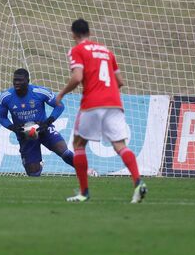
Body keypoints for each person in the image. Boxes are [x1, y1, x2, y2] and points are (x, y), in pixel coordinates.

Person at [55, 19, 147, 203]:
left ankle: (84, 192)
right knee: (120, 145)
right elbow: (119, 81)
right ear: (89, 32)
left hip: (92, 103)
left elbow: (77, 76)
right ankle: (138, 182)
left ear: (73, 34)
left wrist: (61, 94)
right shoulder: (106, 51)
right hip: (114, 102)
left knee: (79, 145)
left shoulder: (77, 50)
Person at [0, 68, 75, 176]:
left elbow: (59, 105)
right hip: (25, 135)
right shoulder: (6, 97)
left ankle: (86, 171)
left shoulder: (39, 92)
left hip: (44, 129)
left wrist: (47, 122)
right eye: (15, 80)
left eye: (20, 80)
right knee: (33, 173)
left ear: (28, 81)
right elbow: (2, 118)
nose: (16, 83)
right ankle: (38, 164)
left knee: (64, 151)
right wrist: (13, 127)